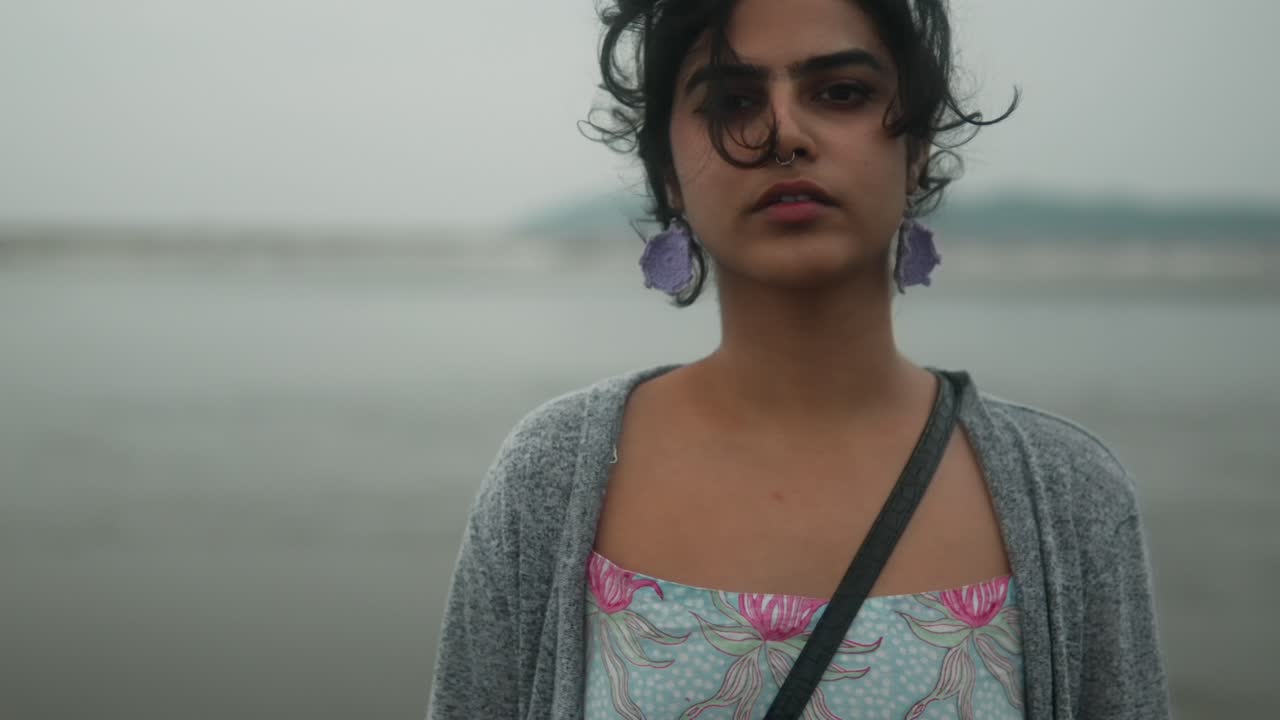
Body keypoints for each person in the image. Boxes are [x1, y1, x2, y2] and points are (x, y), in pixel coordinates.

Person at [427, 0, 1170, 717]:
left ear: (917, 151)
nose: (784, 133)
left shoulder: (1071, 496)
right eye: (730, 102)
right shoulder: (552, 477)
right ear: (667, 177)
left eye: (842, 92)